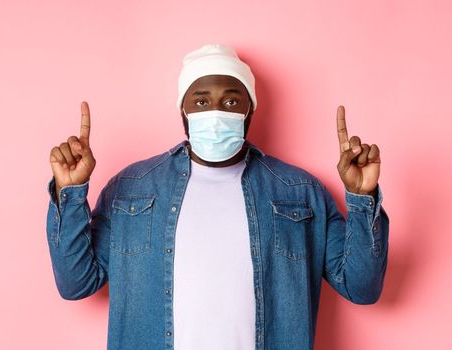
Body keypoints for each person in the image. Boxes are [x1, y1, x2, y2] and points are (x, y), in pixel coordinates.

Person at [45, 44, 388, 350]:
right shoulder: (131, 188)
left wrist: (362, 197)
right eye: (201, 100)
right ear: (184, 110)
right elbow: (76, 283)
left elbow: (361, 288)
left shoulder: (301, 192)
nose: (216, 111)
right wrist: (70, 191)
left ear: (249, 111)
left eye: (231, 100)